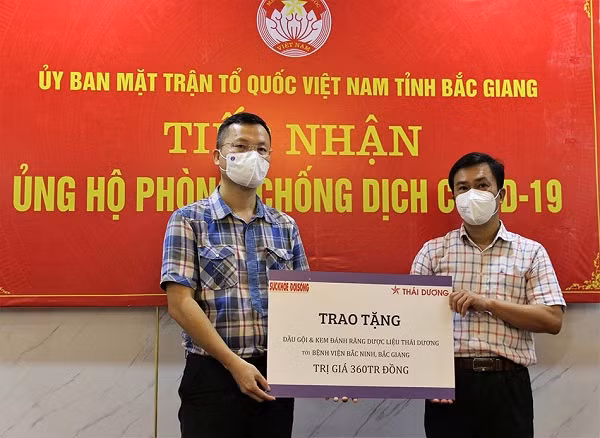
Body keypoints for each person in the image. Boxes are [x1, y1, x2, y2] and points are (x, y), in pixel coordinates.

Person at [160, 112, 309, 438]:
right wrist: (234, 364)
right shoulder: (189, 220)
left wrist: (335, 374)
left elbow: (305, 305)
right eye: (241, 146)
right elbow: (180, 304)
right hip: (212, 375)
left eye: (261, 149)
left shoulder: (285, 226)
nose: (253, 156)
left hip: (273, 378)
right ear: (218, 156)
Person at [410, 152, 565, 438]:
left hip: (508, 384)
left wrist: (488, 303)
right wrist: (426, 380)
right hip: (448, 387)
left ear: (500, 194)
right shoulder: (432, 253)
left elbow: (552, 319)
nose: (472, 194)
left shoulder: (530, 252)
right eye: (463, 188)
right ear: (454, 197)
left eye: (482, 185)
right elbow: (410, 324)